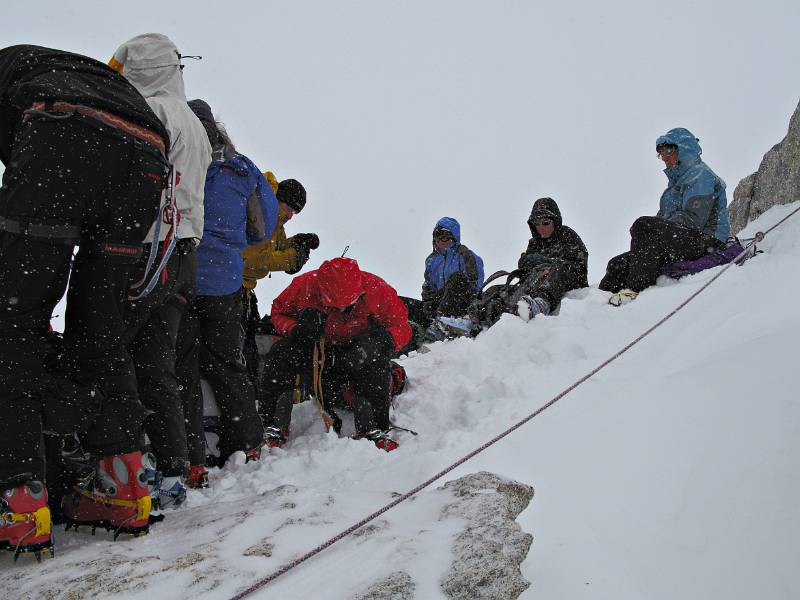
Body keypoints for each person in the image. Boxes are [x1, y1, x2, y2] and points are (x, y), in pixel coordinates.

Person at [0, 44, 170, 555]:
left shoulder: (24, 78)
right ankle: (123, 481)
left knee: (14, 324)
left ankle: (19, 497)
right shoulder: (58, 69)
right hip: (145, 156)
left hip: (66, 136)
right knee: (99, 325)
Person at [64, 33, 212, 514]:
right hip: (183, 251)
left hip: (148, 247)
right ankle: (172, 469)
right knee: (156, 365)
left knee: (103, 349)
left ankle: (106, 461)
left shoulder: (149, 113)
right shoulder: (190, 117)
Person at [176, 99, 277, 483]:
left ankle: (189, 455)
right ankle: (246, 442)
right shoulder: (241, 168)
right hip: (224, 281)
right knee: (228, 363)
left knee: (180, 367)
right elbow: (262, 227)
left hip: (180, 276)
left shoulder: (177, 156)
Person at [260, 257, 412, 451]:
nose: (341, 310)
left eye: (347, 306)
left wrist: (383, 341)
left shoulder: (377, 289)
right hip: (318, 355)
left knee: (375, 361)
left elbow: (402, 326)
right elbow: (278, 312)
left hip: (359, 354)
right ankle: (274, 424)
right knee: (281, 352)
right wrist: (296, 329)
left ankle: (373, 427)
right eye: (334, 306)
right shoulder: (305, 286)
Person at [599, 127, 730, 306]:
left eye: (668, 150)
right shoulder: (675, 185)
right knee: (618, 264)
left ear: (684, 149)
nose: (664, 156)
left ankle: (634, 290)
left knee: (644, 225)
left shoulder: (701, 175)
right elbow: (664, 222)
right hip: (684, 240)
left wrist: (651, 230)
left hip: (708, 241)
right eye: (661, 152)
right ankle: (597, 306)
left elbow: (693, 220)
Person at [240, 177, 318, 390]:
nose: (291, 216)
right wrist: (291, 258)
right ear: (278, 199)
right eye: (290, 208)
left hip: (244, 291)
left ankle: (249, 395)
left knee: (249, 347)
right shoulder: (261, 215)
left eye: (296, 212)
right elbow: (249, 262)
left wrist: (297, 242)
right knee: (240, 351)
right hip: (233, 289)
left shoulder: (275, 219)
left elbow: (274, 247)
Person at [416, 217, 483, 340]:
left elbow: (475, 285)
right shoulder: (431, 261)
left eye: (446, 237)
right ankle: (410, 340)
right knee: (408, 306)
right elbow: (428, 287)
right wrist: (428, 304)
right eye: (439, 236)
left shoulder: (465, 255)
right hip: (440, 302)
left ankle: (442, 325)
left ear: (454, 238)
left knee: (457, 279)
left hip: (462, 303)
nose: (442, 241)